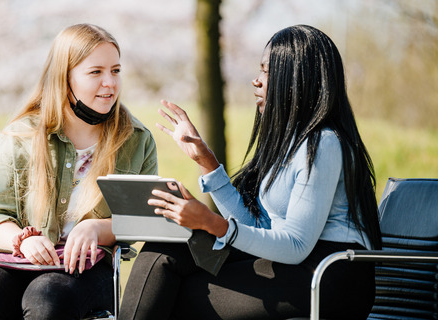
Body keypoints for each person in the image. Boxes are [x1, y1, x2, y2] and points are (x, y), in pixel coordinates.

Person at [119, 25, 381, 320]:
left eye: (267, 71)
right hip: (292, 265)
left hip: (329, 276)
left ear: (297, 79)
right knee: (165, 250)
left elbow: (295, 245)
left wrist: (213, 224)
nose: (256, 81)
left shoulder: (324, 143)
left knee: (184, 295)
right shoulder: (291, 144)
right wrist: (207, 163)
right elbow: (257, 229)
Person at [0, 23, 157, 320]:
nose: (110, 83)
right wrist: (23, 241)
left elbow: (143, 219)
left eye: (115, 70)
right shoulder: (18, 138)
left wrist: (96, 228)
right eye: (95, 72)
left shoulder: (137, 141)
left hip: (86, 266)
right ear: (65, 78)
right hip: (13, 256)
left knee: (49, 301)